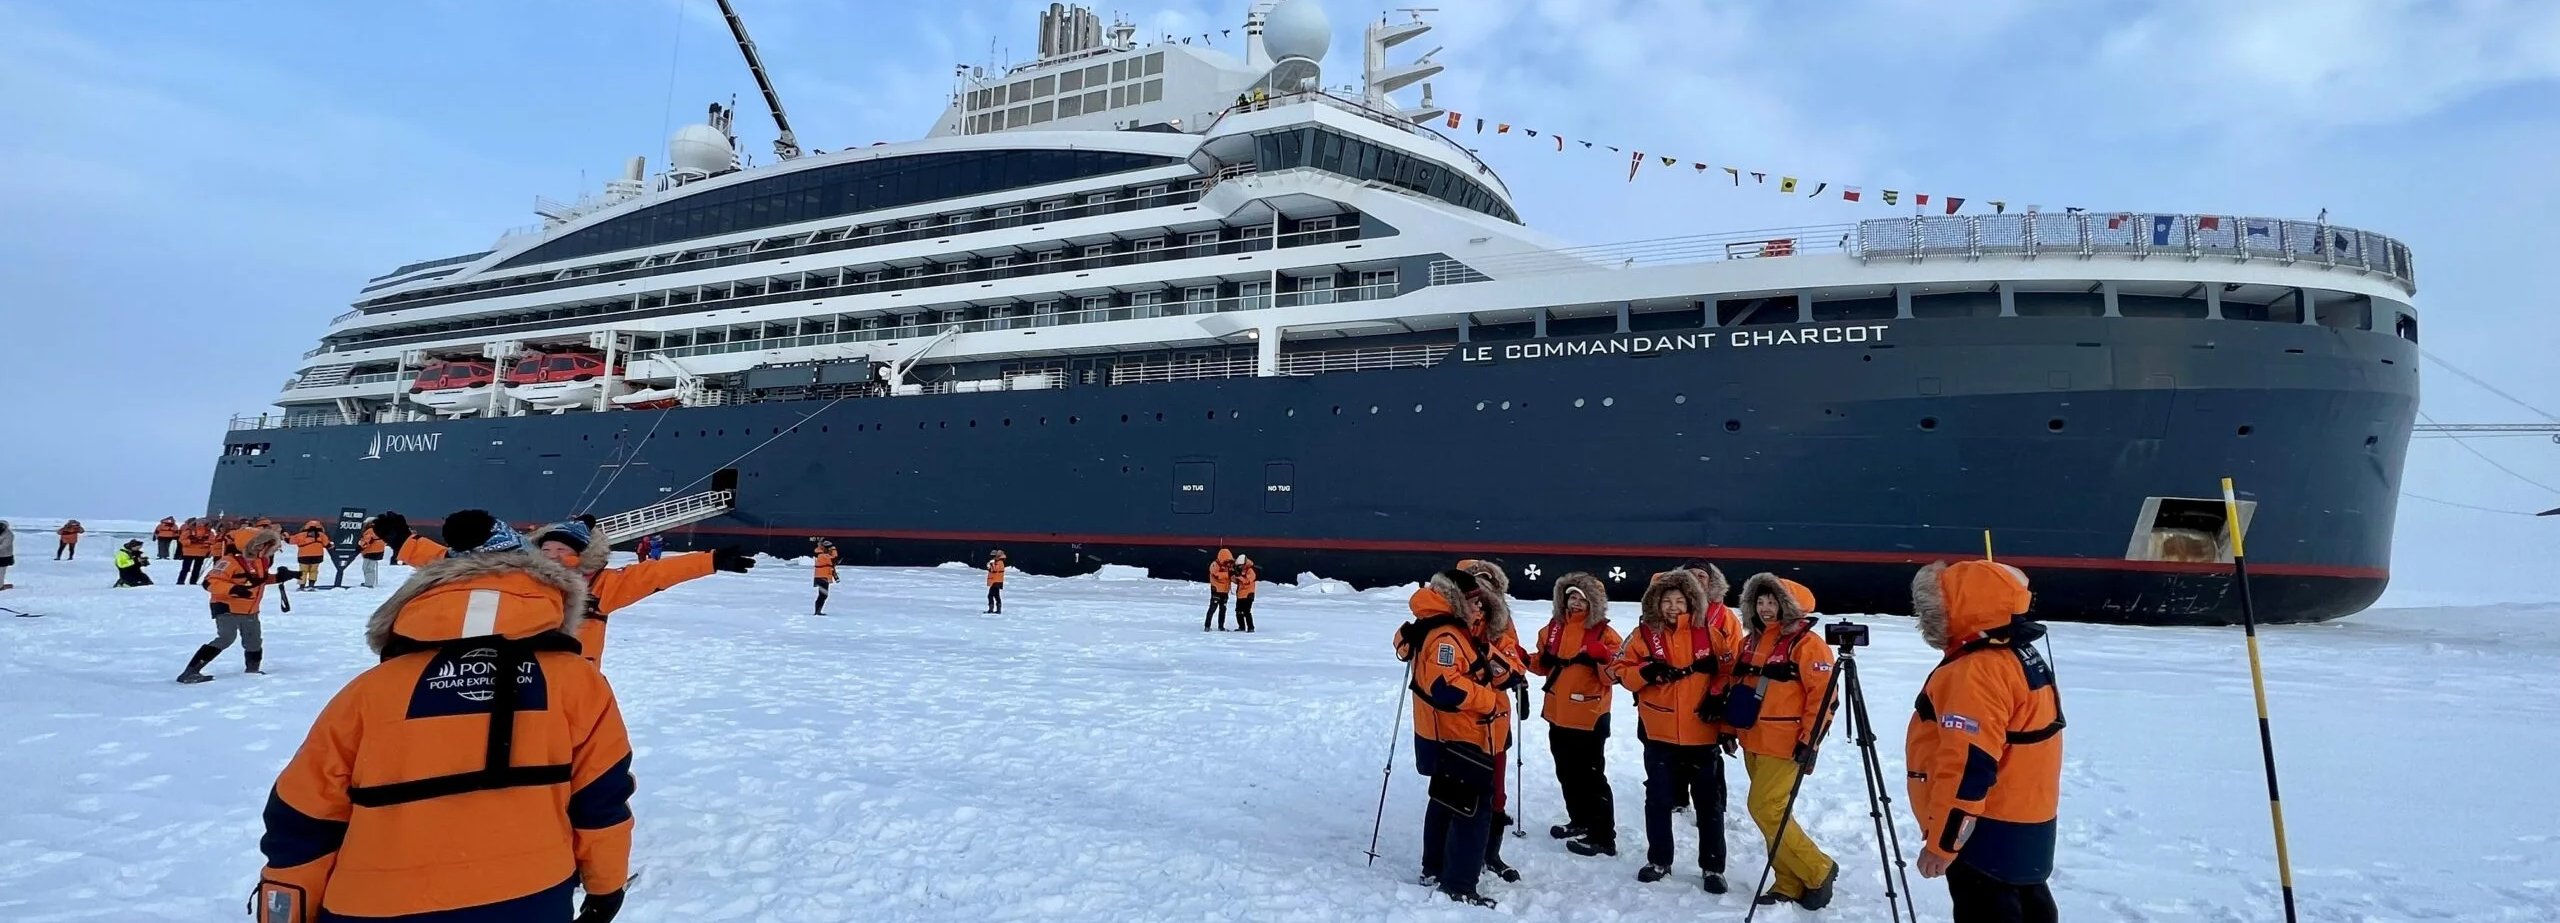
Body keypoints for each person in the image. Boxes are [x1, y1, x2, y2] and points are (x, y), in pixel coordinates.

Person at [250, 508, 633, 923]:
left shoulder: (369, 691)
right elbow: (602, 799)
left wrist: (286, 910)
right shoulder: (578, 684)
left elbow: (303, 815)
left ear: (427, 595)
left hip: (373, 903)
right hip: (530, 895)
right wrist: (604, 890)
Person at [1907, 560, 2064, 923]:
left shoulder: (1975, 672)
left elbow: (1967, 766)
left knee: (1987, 905)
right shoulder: (2019, 654)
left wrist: (1944, 844)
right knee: (2030, 902)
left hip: (1986, 827)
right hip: (2029, 818)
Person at [1610, 567, 1744, 889]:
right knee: (1657, 800)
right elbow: (1616, 669)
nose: (1672, 607)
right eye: (1666, 600)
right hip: (1660, 733)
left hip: (1702, 733)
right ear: (1655, 602)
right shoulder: (1642, 635)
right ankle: (1659, 860)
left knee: (1708, 803)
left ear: (1691, 603)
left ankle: (1713, 867)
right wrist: (1645, 672)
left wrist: (1717, 699)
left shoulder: (1711, 634)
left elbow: (1730, 671)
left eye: (1679, 601)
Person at [1391, 568, 1517, 908]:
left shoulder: (1436, 627)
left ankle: (1433, 868)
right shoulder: (1446, 635)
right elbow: (1445, 687)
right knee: (1471, 809)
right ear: (1456, 601)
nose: (1480, 609)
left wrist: (1503, 668)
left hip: (1442, 734)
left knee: (1445, 801)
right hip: (1461, 734)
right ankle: (1460, 884)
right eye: (1474, 602)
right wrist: (1489, 699)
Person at [1734, 573, 1841, 910]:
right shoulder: (1749, 641)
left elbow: (1823, 697)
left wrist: (1810, 742)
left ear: (1788, 605)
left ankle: (1818, 868)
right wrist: (1728, 728)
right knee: (1774, 813)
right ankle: (1788, 881)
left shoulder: (1808, 645)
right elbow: (1739, 687)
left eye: (1773, 601)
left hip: (1785, 743)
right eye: (1761, 601)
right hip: (1753, 738)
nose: (1766, 608)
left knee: (1765, 808)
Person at [529, 518, 751, 665]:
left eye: (561, 549)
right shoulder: (525, 580)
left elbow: (654, 574)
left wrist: (710, 560)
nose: (552, 555)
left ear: (580, 554)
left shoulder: (600, 586)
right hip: (523, 677)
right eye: (546, 549)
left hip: (576, 678)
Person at [1528, 571, 1620, 857]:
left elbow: (1614, 676)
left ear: (1594, 602)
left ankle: (1603, 836)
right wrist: (1520, 658)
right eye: (1571, 597)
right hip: (1558, 713)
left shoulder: (1605, 634)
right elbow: (1544, 664)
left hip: (1589, 715)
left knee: (1592, 776)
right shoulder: (1554, 628)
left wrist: (1603, 657)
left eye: (1582, 598)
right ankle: (1579, 820)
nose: (1576, 603)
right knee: (1566, 772)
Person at [1456, 558, 1525, 882]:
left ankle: (1490, 852)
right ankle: (1454, 853)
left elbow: (1515, 662)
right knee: (1458, 789)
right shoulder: (1449, 622)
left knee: (1496, 791)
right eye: (1475, 584)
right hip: (1458, 721)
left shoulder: (1502, 625)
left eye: (1488, 584)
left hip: (1495, 719)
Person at [177, 528, 283, 683]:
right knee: (226, 638)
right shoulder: (228, 561)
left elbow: (261, 580)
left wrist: (281, 577)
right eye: (259, 545)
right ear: (248, 545)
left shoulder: (260, 562)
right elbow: (210, 582)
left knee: (253, 641)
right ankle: (190, 672)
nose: (263, 548)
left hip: (250, 609)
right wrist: (233, 589)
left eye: (266, 545)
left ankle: (253, 670)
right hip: (226, 606)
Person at [290, 521, 331, 590]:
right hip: (317, 557)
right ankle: (311, 585)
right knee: (314, 571)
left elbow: (290, 540)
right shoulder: (322, 535)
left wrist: (285, 536)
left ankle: (301, 586)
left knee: (303, 571)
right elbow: (328, 545)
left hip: (304, 557)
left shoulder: (301, 535)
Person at [177, 519, 216, 585]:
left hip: (189, 552)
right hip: (200, 552)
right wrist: (203, 543)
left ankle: (181, 581)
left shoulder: (189, 531)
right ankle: (192, 582)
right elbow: (212, 541)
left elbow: (181, 540)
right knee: (196, 569)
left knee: (186, 568)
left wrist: (191, 541)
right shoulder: (209, 533)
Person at [1204, 548, 1235, 631]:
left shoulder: (1228, 567)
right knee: (1212, 608)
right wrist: (1228, 574)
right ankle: (1207, 626)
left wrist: (1236, 577)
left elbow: (1231, 577)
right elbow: (1216, 575)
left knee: (1223, 609)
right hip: (1216, 590)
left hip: (1225, 591)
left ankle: (1221, 626)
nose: (1228, 563)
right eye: (1227, 561)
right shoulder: (1214, 565)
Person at [357, 517, 388, 588]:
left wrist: (360, 547)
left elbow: (367, 540)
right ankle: (369, 582)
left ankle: (369, 584)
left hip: (370, 552)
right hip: (379, 551)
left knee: (367, 568)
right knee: (371, 567)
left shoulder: (370, 530)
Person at [811, 539, 839, 615]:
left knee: (823, 595)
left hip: (821, 577)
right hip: (822, 577)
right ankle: (817, 611)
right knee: (823, 595)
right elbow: (834, 558)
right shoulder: (823, 556)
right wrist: (833, 549)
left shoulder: (820, 554)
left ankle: (818, 610)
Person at [1232, 554, 1259, 632]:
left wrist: (1239, 577)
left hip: (1248, 594)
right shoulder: (1240, 570)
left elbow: (1247, 581)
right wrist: (1234, 576)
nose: (1239, 567)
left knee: (1247, 612)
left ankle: (1251, 627)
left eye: (1240, 566)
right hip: (1240, 594)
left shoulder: (1251, 571)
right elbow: (1237, 582)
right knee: (1238, 611)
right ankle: (1241, 627)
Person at [985, 549, 1007, 614]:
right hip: (997, 581)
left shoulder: (999, 562)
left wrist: (991, 564)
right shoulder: (999, 562)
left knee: (990, 595)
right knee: (996, 595)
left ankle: (991, 609)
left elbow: (994, 570)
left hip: (996, 581)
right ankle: (998, 609)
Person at [0, 519, 16, 591]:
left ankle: (0, 586)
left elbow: (4, 545)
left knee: (1, 571)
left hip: (5, 556)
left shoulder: (9, 534)